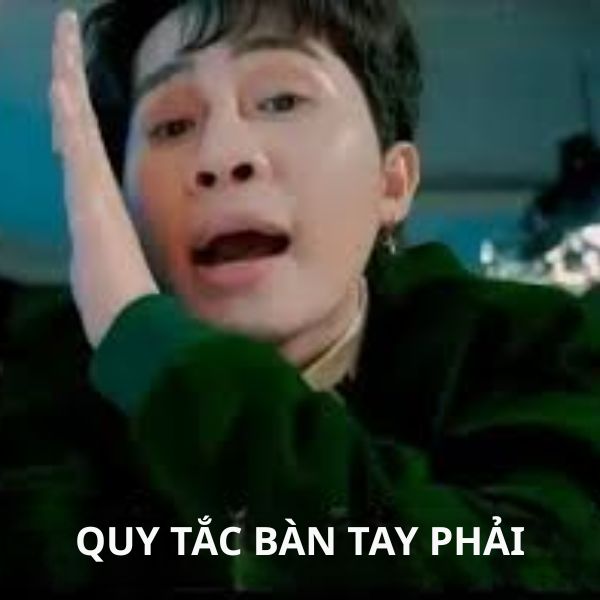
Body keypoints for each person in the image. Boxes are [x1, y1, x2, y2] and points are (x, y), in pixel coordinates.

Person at [2, 0, 600, 592]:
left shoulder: (537, 348)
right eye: (173, 126)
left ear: (392, 183)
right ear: (125, 206)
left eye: (281, 101)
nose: (222, 157)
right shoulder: (30, 384)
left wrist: (152, 353)